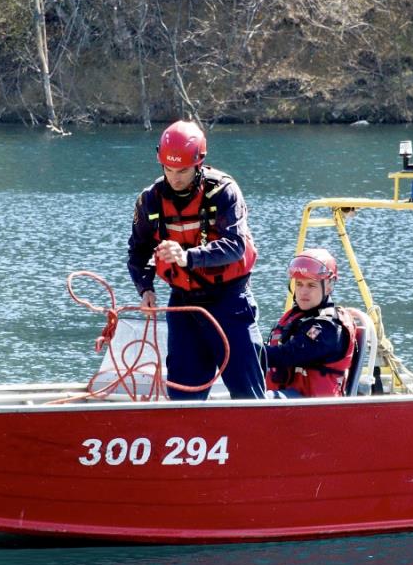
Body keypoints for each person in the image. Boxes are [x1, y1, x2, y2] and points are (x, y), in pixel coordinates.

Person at [126, 121, 267, 400]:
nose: (175, 178)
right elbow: (138, 251)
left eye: (182, 171)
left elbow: (235, 246)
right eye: (168, 169)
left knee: (248, 392)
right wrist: (145, 288)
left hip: (229, 301)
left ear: (199, 163)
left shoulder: (223, 191)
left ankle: (261, 438)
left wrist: (187, 257)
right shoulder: (150, 201)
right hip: (184, 303)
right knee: (182, 394)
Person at [262, 248, 357, 398]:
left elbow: (287, 355)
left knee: (258, 399)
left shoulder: (328, 328)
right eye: (299, 284)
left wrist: (247, 352)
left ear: (329, 286)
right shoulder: (298, 317)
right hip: (291, 399)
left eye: (311, 285)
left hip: (314, 408)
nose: (303, 292)